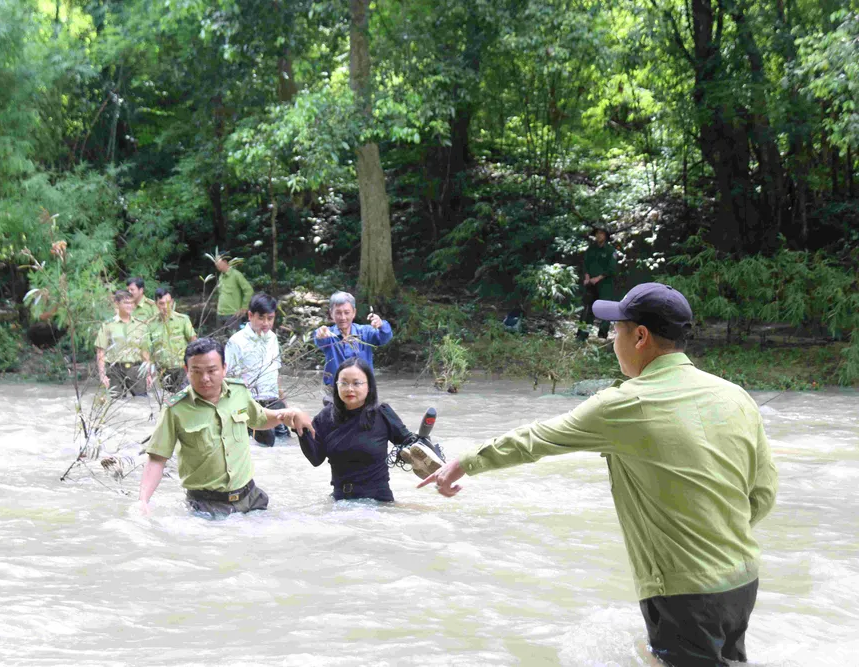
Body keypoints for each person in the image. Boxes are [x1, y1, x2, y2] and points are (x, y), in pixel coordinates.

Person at [420, 283, 778, 667]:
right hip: (742, 579)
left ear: (640, 336)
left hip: (685, 591)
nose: (611, 340)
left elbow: (536, 439)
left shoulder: (625, 404)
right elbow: (763, 492)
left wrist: (463, 463)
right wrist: (719, 535)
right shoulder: (735, 396)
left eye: (616, 330)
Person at [138, 338, 313, 518]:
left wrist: (289, 414)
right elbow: (157, 458)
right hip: (206, 505)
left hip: (251, 498)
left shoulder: (239, 392)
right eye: (196, 371)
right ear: (186, 371)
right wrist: (143, 500)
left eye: (211, 370)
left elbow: (260, 419)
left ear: (224, 368)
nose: (205, 378)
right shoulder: (175, 409)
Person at [298, 358, 443, 502]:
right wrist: (300, 428)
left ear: (369, 386)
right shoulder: (326, 417)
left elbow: (408, 442)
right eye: (344, 383)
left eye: (356, 383)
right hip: (340, 501)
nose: (349, 389)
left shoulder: (382, 413)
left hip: (378, 502)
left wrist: (424, 449)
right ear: (336, 386)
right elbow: (316, 459)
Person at [224, 293, 287, 446]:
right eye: (261, 318)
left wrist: (283, 401)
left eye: (270, 318)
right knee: (263, 445)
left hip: (273, 400)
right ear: (250, 315)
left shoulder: (272, 338)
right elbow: (228, 378)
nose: (266, 323)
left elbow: (275, 371)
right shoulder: (236, 342)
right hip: (251, 403)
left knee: (285, 441)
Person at [313, 291, 393, 390]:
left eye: (347, 312)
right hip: (334, 389)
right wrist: (320, 335)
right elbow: (320, 340)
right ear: (331, 313)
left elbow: (385, 337)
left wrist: (381, 325)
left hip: (363, 389)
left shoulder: (365, 332)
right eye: (338, 313)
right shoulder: (328, 334)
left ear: (354, 312)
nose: (343, 317)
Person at [95, 290, 152, 397]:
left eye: (131, 303)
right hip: (115, 370)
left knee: (142, 400)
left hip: (136, 369)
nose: (129, 306)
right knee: (115, 401)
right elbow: (100, 352)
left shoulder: (141, 326)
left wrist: (148, 373)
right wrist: (102, 375)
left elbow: (145, 351)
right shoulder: (107, 325)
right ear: (117, 304)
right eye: (126, 303)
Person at [147, 286, 197, 393]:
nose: (165, 307)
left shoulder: (183, 320)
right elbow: (148, 351)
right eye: (161, 303)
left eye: (168, 303)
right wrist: (149, 374)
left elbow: (194, 343)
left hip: (183, 369)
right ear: (156, 304)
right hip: (163, 371)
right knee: (167, 399)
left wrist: (194, 366)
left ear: (172, 302)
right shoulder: (150, 325)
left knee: (184, 397)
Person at [576, 225, 617, 340]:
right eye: (597, 233)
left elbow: (612, 269)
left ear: (606, 236)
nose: (599, 235)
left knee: (605, 309)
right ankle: (582, 334)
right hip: (591, 284)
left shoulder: (610, 250)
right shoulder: (591, 249)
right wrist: (587, 277)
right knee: (588, 308)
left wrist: (598, 278)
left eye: (601, 233)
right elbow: (585, 264)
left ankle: (602, 335)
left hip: (605, 285)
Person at [214, 256, 253, 334]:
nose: (216, 264)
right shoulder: (221, 276)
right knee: (220, 338)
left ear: (225, 262)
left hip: (233, 314)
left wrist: (244, 307)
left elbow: (248, 290)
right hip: (220, 313)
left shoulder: (236, 275)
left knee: (234, 338)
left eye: (217, 261)